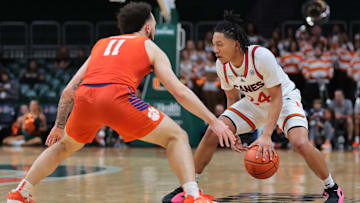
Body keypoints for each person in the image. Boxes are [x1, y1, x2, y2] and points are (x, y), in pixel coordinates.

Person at [7, 3, 235, 203]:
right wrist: (213, 121)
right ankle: (193, 196)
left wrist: (58, 125)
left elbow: (69, 90)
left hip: (86, 99)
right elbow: (179, 92)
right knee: (177, 137)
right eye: (153, 24)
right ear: (147, 27)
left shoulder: (101, 44)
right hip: (117, 98)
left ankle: (21, 191)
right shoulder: (150, 46)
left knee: (64, 146)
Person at [162, 11, 344, 203]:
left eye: (219, 44)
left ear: (236, 45)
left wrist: (266, 136)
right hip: (254, 102)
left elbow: (276, 98)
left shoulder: (261, 57)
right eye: (213, 44)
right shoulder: (221, 65)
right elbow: (232, 98)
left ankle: (332, 188)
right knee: (213, 131)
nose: (215, 49)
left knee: (299, 143)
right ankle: (189, 187)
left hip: (285, 100)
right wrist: (231, 132)